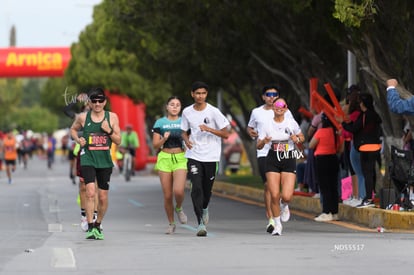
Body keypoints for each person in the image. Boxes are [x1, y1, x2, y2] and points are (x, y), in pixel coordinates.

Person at [70, 87, 121, 240]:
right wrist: (78, 139)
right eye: (94, 101)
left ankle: (98, 224)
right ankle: (90, 225)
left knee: (103, 196)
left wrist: (109, 131)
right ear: (90, 103)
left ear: (105, 102)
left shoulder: (112, 117)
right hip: (88, 157)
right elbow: (73, 130)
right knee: (90, 191)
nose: (97, 104)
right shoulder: (83, 118)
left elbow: (119, 140)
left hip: (104, 160)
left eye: (100, 101)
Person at [181, 81, 230, 237]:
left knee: (206, 189)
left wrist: (209, 128)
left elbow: (226, 134)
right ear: (192, 94)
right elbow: (183, 131)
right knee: (196, 187)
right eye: (197, 93)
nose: (200, 96)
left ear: (206, 95)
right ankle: (200, 223)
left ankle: (205, 207)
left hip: (211, 156)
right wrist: (186, 141)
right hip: (194, 155)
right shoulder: (187, 112)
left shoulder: (214, 112)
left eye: (203, 93)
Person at [247, 84, 295, 233]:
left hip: (283, 153)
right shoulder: (256, 112)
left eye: (275, 94)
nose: (271, 97)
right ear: (263, 97)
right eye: (268, 94)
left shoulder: (286, 112)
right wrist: (252, 133)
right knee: (269, 186)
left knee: (284, 192)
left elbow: (294, 129)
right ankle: (272, 219)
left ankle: (283, 204)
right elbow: (250, 127)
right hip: (264, 153)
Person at [256, 98, 304, 236]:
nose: (279, 107)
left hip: (288, 157)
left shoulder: (290, 122)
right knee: (274, 194)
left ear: (285, 108)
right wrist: (263, 141)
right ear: (273, 108)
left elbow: (302, 137)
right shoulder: (267, 124)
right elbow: (258, 145)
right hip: (272, 158)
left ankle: (285, 205)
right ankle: (277, 225)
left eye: (282, 105)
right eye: (276, 105)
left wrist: (298, 139)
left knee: (287, 196)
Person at [152, 96, 188, 234]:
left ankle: (179, 207)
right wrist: (163, 139)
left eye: (177, 105)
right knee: (167, 195)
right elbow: (155, 145)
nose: (174, 107)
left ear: (180, 108)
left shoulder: (184, 122)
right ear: (167, 107)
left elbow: (189, 140)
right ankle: (171, 223)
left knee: (178, 191)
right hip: (165, 157)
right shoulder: (160, 122)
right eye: (172, 104)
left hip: (180, 157)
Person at [340, 93, 382, 208]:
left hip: (365, 147)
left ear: (363, 103)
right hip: (375, 147)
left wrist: (344, 123)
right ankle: (368, 197)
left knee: (366, 173)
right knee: (369, 173)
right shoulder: (375, 115)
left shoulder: (365, 115)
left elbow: (354, 129)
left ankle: (368, 198)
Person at [309, 113, 344, 221]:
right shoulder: (335, 133)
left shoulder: (321, 131)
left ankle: (326, 211)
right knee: (333, 186)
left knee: (324, 187)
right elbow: (340, 148)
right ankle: (334, 212)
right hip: (333, 158)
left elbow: (311, 145)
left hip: (322, 160)